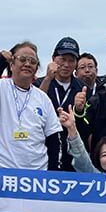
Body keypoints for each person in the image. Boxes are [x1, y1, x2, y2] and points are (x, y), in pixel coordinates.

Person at [0, 42, 62, 170]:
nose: (27, 64)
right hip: (1, 169)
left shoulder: (43, 98)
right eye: (22, 59)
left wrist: (53, 174)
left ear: (36, 68)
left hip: (37, 174)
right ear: (12, 64)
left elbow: (53, 137)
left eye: (32, 61)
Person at [35, 37, 85, 170]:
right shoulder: (38, 84)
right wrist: (47, 79)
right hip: (43, 151)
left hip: (71, 154)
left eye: (71, 60)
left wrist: (79, 110)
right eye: (62, 59)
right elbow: (32, 108)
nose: (66, 65)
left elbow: (87, 124)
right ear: (53, 59)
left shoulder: (82, 88)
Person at [75, 32, 106, 99]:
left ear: (96, 70)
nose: (87, 70)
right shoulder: (71, 89)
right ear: (76, 73)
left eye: (90, 66)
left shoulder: (104, 87)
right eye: (82, 67)